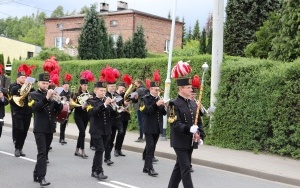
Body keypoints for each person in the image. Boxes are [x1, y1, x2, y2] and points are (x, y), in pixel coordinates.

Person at [167, 75, 205, 188]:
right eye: (188, 87)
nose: (191, 89)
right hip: (179, 141)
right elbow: (174, 123)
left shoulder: (193, 104)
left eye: (191, 87)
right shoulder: (173, 104)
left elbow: (199, 122)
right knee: (186, 167)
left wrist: (200, 135)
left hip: (190, 141)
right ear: (181, 89)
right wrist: (188, 129)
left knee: (179, 167)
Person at [30, 72, 63, 186]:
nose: (45, 85)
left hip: (50, 128)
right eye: (43, 83)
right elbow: (35, 108)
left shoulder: (51, 94)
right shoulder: (33, 94)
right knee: (43, 153)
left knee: (43, 153)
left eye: (47, 83)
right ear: (39, 83)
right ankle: (42, 177)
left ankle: (36, 173)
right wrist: (47, 98)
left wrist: (58, 100)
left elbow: (58, 109)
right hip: (39, 128)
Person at [87, 80, 117, 180]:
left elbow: (115, 115)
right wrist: (104, 104)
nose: (103, 92)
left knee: (100, 151)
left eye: (104, 90)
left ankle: (94, 170)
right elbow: (92, 112)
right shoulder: (90, 101)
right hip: (96, 130)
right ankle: (99, 171)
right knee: (100, 149)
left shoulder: (107, 102)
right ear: (95, 90)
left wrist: (114, 106)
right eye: (101, 90)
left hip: (106, 130)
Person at [140, 70, 166, 177]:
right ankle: (150, 168)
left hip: (157, 126)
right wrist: (156, 104)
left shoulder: (159, 99)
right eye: (155, 90)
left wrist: (165, 106)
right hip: (148, 126)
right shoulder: (144, 99)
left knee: (153, 146)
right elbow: (146, 110)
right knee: (150, 146)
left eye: (158, 90)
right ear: (150, 89)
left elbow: (163, 113)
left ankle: (146, 167)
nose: (157, 91)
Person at [11, 64, 34, 157]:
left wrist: (31, 89)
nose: (24, 79)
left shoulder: (30, 87)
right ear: (18, 78)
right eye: (22, 77)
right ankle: (17, 148)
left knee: (25, 131)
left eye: (25, 77)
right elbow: (11, 101)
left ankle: (20, 148)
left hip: (27, 112)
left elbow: (33, 98)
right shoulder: (14, 88)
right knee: (19, 130)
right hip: (18, 112)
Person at [73, 70, 94, 158]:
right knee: (82, 132)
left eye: (87, 85)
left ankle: (77, 150)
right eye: (84, 85)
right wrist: (83, 103)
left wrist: (91, 100)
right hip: (78, 115)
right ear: (81, 85)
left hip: (86, 116)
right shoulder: (76, 94)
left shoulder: (88, 94)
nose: (86, 86)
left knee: (82, 133)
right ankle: (82, 150)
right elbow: (73, 105)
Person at [104, 67, 122, 165]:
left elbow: (120, 105)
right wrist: (111, 104)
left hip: (115, 120)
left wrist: (118, 106)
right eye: (111, 87)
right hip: (107, 120)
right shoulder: (105, 95)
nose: (113, 88)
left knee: (112, 140)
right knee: (108, 139)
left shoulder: (116, 95)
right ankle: (107, 157)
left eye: (114, 86)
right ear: (107, 87)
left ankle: (108, 156)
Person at [114, 82, 131, 157]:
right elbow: (117, 103)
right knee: (120, 132)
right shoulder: (115, 94)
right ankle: (115, 149)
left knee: (123, 133)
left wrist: (130, 101)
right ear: (118, 87)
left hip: (125, 116)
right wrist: (123, 103)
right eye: (122, 88)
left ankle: (119, 149)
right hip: (118, 116)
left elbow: (132, 100)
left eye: (124, 88)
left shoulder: (125, 95)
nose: (123, 90)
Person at [58, 73, 72, 145]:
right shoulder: (60, 92)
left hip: (68, 111)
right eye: (65, 85)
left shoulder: (70, 93)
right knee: (62, 124)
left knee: (64, 124)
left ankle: (62, 138)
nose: (66, 86)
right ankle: (61, 138)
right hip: (61, 110)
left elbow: (72, 102)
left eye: (67, 85)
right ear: (63, 86)